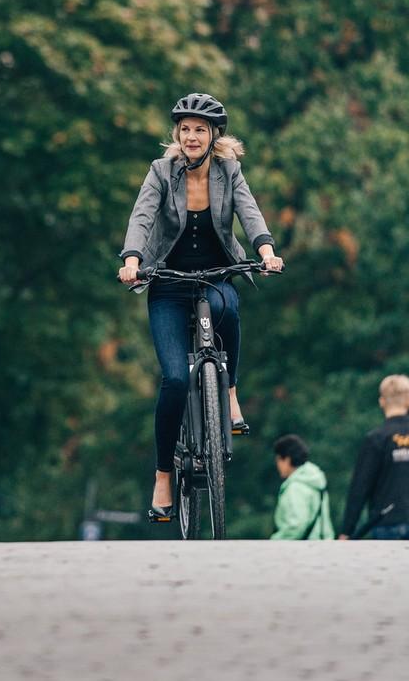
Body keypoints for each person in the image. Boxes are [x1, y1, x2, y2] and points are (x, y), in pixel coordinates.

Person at [117, 92, 284, 516]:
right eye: (185, 129)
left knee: (228, 308)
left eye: (200, 130)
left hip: (214, 275)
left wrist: (266, 251)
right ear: (177, 134)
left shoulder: (229, 172)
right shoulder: (161, 172)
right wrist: (132, 260)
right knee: (174, 379)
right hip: (168, 283)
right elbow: (142, 216)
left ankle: (230, 391)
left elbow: (249, 212)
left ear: (214, 136)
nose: (191, 137)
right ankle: (163, 476)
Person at [338, 374, 409, 540]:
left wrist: (347, 529)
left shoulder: (377, 438)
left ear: (382, 401)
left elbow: (360, 486)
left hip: (386, 521)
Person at [270, 434, 334, 540]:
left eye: (278, 460)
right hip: (323, 545)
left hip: (304, 548)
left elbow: (296, 526)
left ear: (287, 460)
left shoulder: (295, 488)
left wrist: (274, 542)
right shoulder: (316, 482)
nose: (277, 465)